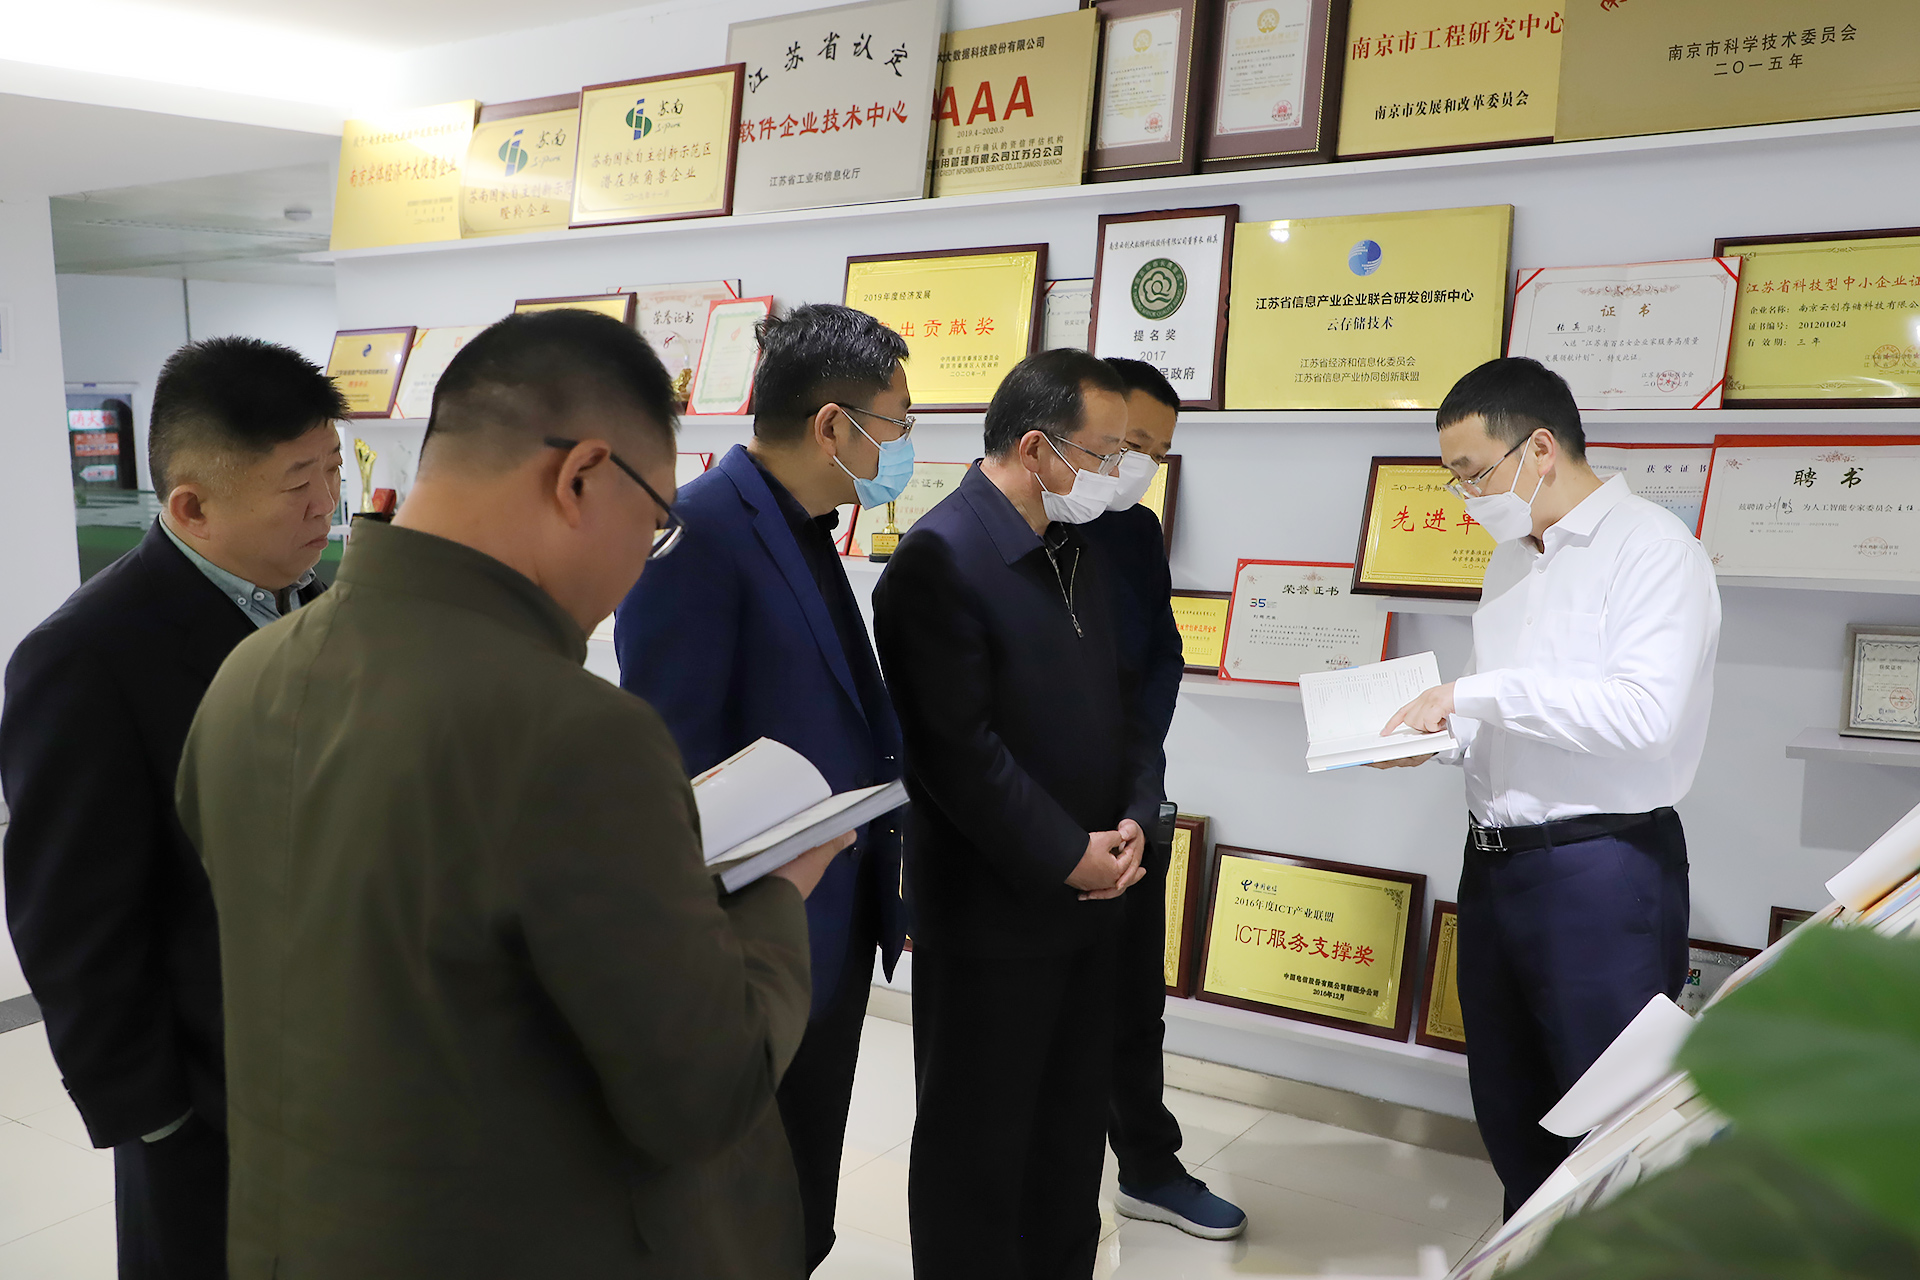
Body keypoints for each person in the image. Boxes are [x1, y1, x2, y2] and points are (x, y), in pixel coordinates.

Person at [173, 310, 846, 1279]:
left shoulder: (249, 674)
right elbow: (704, 1092)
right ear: (582, 478)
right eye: (655, 524)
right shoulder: (576, 731)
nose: (644, 559)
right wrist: (782, 890)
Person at [2, 337, 345, 1280]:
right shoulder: (86, 655)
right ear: (191, 506)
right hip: (209, 1101)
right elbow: (71, 916)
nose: (326, 503)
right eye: (297, 484)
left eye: (332, 469)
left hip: (340, 1079)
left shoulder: (315, 604)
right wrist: (156, 1116)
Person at [1375, 357, 1720, 1216]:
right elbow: (1507, 716)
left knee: (1611, 1116)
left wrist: (1471, 695)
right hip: (1495, 867)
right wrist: (1437, 737)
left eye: (1471, 473)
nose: (1465, 497)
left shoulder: (1653, 549)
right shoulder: (1511, 561)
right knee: (1511, 1101)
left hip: (1599, 870)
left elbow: (1644, 717)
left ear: (1538, 448)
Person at [614, 302, 909, 1271]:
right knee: (747, 1214)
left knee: (803, 1195)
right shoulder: (700, 531)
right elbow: (675, 760)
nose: (903, 446)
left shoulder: (805, 522)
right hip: (755, 938)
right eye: (897, 423)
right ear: (833, 425)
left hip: (829, 916)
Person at [873, 348, 1161, 1280]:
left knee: (1069, 1143)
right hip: (991, 917)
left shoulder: (1078, 548)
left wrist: (1134, 816)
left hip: (1094, 901)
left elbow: (1123, 705)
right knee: (978, 1148)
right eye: (1105, 452)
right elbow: (956, 754)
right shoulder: (937, 561)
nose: (1118, 472)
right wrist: (1064, 853)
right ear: (1036, 448)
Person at [1085, 358, 1247, 1240]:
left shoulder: (1135, 531)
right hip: (1040, 823)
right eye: (1130, 443)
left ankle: (1148, 1167)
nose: (1140, 464)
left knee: (1131, 1007)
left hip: (1130, 809)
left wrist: (1138, 799)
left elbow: (1162, 662)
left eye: (1156, 450)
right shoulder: (1013, 528)